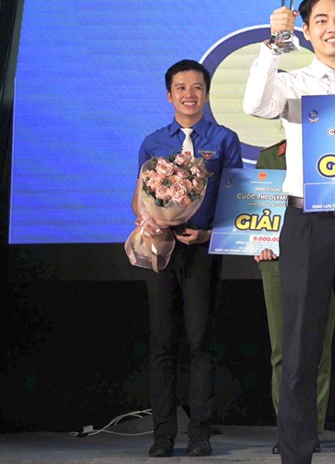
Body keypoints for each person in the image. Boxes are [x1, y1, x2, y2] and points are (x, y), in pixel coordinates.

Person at [243, 0, 335, 464]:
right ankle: (296, 454)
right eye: (322, 20)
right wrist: (273, 44)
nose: (333, 27)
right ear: (306, 31)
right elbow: (255, 104)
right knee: (300, 351)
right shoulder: (291, 84)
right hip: (306, 223)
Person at [137, 59, 243, 458]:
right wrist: (152, 223)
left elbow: (238, 198)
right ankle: (163, 434)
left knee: (200, 342)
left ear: (207, 93)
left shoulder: (225, 139)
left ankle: (200, 433)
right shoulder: (152, 143)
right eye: (181, 88)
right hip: (162, 251)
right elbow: (140, 197)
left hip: (202, 249)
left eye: (197, 87)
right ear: (169, 95)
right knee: (162, 342)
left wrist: (209, 234)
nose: (189, 94)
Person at [253, 137, 335, 456]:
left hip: (321, 255)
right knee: (283, 349)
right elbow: (254, 205)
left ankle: (312, 428)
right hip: (275, 260)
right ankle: (288, 428)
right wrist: (255, 241)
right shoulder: (270, 156)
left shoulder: (331, 146)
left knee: (319, 347)